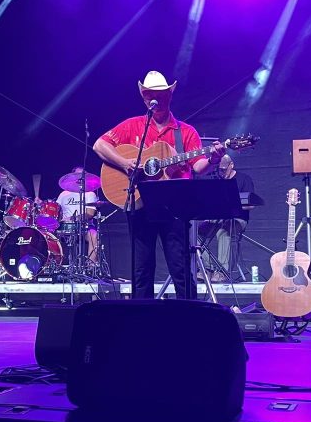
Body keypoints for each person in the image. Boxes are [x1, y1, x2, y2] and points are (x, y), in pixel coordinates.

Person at [93, 70, 224, 299]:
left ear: (169, 95)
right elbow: (99, 145)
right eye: (150, 95)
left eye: (161, 95)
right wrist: (124, 163)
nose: (156, 99)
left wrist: (213, 158)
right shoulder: (133, 126)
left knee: (180, 265)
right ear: (144, 97)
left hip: (175, 206)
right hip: (140, 202)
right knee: (141, 268)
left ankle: (188, 313)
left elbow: (198, 166)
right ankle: (143, 316)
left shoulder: (185, 132)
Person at [201, 153, 255, 282]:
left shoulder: (244, 179)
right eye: (219, 170)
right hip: (217, 218)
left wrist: (233, 206)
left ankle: (222, 272)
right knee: (192, 233)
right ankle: (208, 268)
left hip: (237, 219)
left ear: (232, 165)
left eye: (224, 169)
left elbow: (251, 205)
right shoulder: (216, 180)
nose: (221, 172)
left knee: (224, 231)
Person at [55, 167, 100, 266]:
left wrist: (74, 218)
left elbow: (90, 214)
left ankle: (90, 266)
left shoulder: (90, 193)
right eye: (77, 176)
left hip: (85, 227)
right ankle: (53, 265)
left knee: (94, 235)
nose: (80, 178)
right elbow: (55, 210)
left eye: (82, 176)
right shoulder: (64, 194)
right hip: (65, 227)